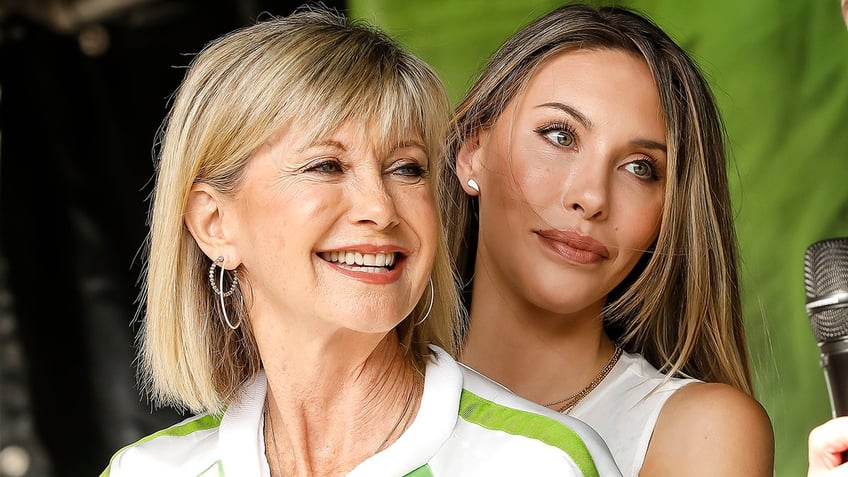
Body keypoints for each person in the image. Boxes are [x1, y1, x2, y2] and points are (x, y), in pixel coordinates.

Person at [98, 6, 623, 477]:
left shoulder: (538, 464)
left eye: (406, 169)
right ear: (214, 223)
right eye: (326, 165)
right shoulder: (144, 471)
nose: (380, 208)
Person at [441, 3, 774, 476]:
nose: (592, 197)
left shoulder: (699, 431)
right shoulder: (368, 393)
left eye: (640, 168)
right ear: (471, 152)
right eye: (560, 136)